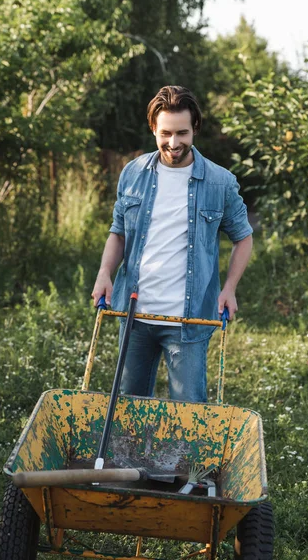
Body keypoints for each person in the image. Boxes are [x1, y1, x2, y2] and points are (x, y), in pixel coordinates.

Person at [91, 85, 253, 403]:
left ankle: (184, 456)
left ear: (195, 129)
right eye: (165, 133)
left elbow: (243, 237)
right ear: (153, 128)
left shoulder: (220, 182)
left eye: (182, 133)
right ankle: (135, 456)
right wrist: (104, 272)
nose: (174, 143)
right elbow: (118, 232)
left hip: (188, 320)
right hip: (134, 315)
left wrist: (230, 287)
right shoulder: (133, 174)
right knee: (128, 407)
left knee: (189, 408)